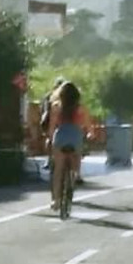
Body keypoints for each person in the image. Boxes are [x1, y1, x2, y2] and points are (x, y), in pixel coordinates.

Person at [49, 81, 89, 211]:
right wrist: (90, 134)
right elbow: (87, 125)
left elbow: (51, 127)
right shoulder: (81, 108)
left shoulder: (56, 106)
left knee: (58, 170)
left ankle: (56, 200)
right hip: (75, 136)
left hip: (60, 136)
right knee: (76, 158)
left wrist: (50, 139)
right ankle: (75, 175)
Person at [40, 76, 65, 169]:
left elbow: (43, 109)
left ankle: (49, 159)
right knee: (50, 139)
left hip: (54, 120)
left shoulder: (50, 95)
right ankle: (50, 158)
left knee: (50, 138)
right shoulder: (50, 96)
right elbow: (45, 109)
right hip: (55, 120)